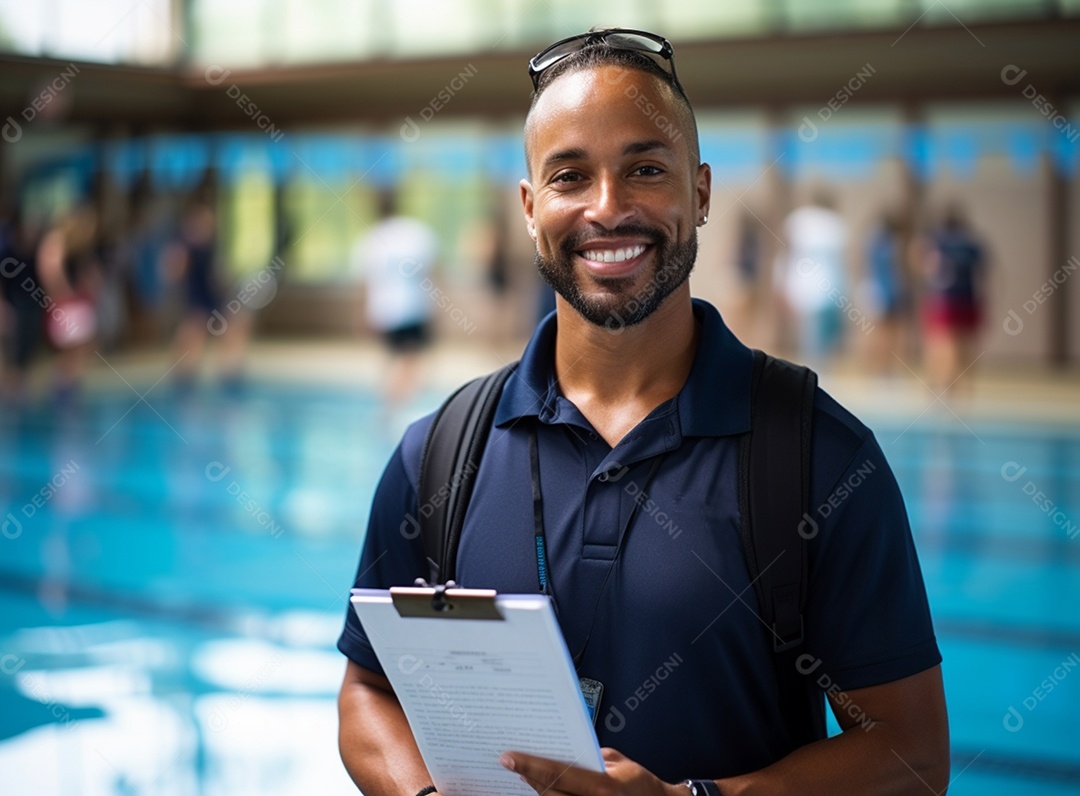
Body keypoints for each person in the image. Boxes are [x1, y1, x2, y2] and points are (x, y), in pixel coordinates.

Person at [337, 28, 948, 796]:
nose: (608, 208)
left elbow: (913, 754)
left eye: (646, 170)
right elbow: (368, 694)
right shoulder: (440, 454)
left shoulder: (817, 458)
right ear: (530, 208)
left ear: (700, 192)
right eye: (570, 177)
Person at [351, 188, 438, 417]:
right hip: (413, 308)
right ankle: (394, 407)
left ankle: (390, 406)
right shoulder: (415, 232)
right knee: (412, 363)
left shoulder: (371, 238)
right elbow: (430, 274)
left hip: (385, 311)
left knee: (394, 361)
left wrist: (362, 315)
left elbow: (364, 283)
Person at [917, 207, 986, 395]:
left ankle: (943, 381)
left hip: (944, 299)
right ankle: (965, 383)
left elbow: (925, 266)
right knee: (965, 343)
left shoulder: (937, 242)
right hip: (968, 299)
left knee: (942, 342)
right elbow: (983, 274)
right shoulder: (972, 245)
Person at [777, 193, 848, 364]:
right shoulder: (834, 224)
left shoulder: (800, 220)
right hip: (829, 287)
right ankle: (819, 367)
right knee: (824, 338)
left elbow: (787, 254)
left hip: (808, 287)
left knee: (812, 337)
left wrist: (782, 283)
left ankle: (815, 367)